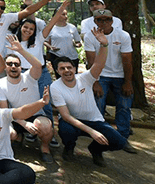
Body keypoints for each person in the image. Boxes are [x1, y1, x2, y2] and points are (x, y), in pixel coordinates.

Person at [52, 19, 127, 166]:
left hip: (95, 120)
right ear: (57, 71)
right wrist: (91, 132)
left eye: (69, 67)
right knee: (66, 130)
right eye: (62, 69)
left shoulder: (85, 78)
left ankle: (95, 149)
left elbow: (99, 64)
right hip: (72, 121)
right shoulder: (55, 87)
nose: (66, 71)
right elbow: (66, 116)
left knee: (120, 142)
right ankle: (69, 147)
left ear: (74, 68)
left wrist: (104, 44)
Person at [83, 9, 137, 153]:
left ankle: (123, 139)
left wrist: (128, 82)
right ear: (95, 22)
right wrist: (95, 82)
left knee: (124, 106)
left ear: (112, 21)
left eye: (107, 19)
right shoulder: (89, 36)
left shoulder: (123, 35)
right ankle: (101, 138)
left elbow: (127, 61)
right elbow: (91, 61)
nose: (104, 23)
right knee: (98, 107)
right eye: (100, 20)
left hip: (120, 75)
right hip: (100, 75)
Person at [0, 37, 55, 163]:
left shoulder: (30, 77)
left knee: (45, 127)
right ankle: (18, 137)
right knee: (9, 134)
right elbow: (5, 110)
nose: (13, 67)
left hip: (36, 115)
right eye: (9, 64)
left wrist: (21, 50)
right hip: (16, 116)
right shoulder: (0, 83)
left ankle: (45, 148)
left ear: (21, 67)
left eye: (16, 64)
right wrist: (23, 123)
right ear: (5, 67)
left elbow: (38, 65)